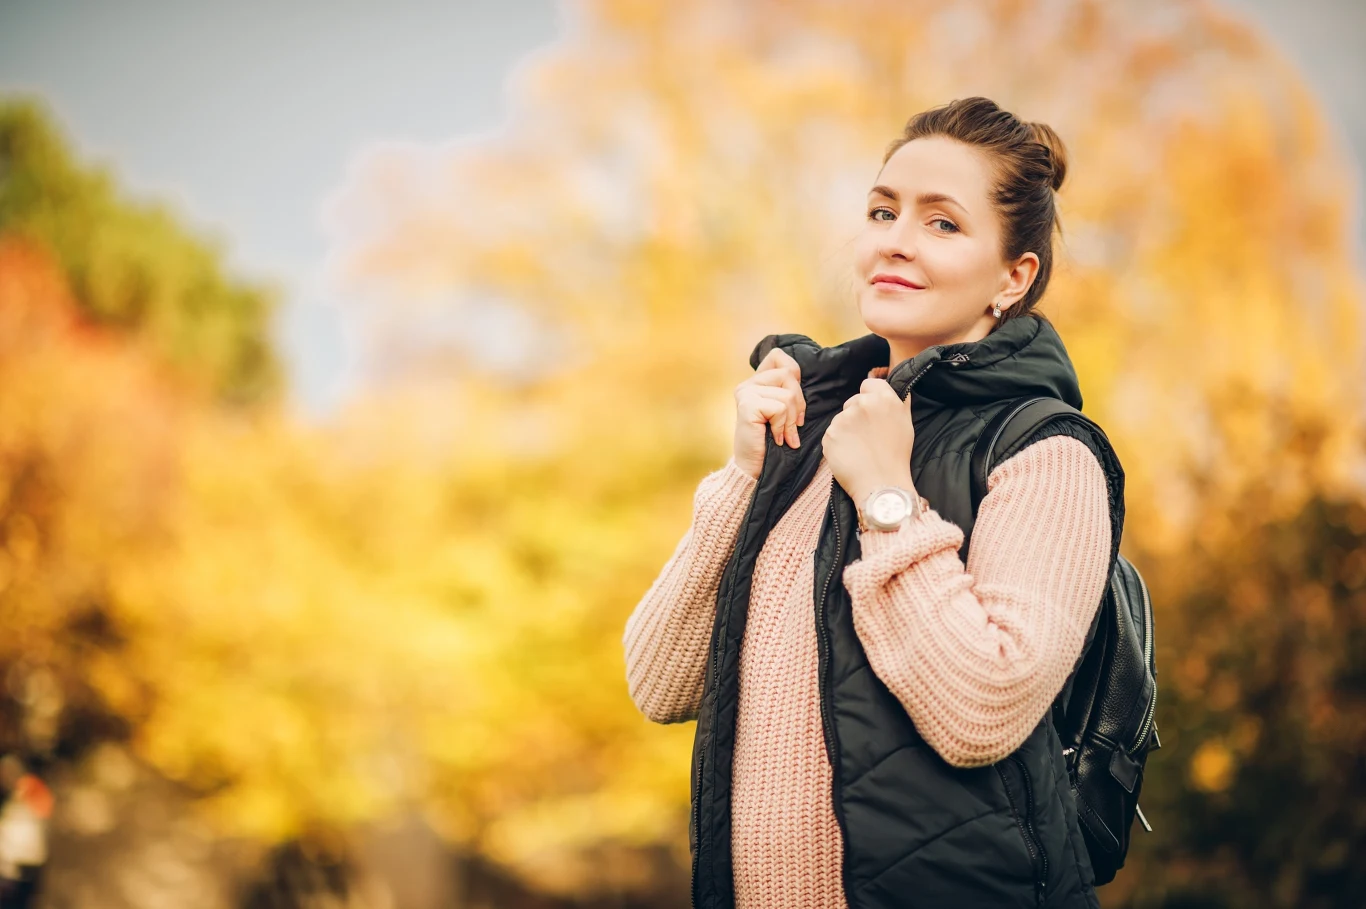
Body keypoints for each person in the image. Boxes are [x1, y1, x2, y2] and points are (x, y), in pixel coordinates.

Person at [623, 97, 1122, 909]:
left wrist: (889, 498)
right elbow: (659, 682)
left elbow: (981, 712)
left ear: (1013, 276)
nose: (894, 238)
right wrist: (745, 475)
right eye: (882, 210)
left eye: (942, 223)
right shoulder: (810, 434)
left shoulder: (1045, 454)